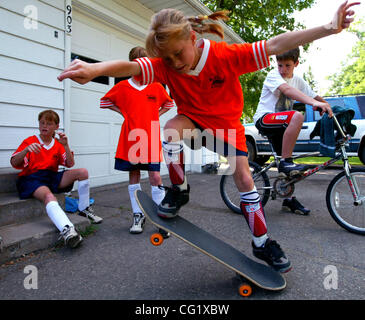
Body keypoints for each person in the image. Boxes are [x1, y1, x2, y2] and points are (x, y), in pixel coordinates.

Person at [57, 1, 359, 272]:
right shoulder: (165, 63)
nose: (175, 63)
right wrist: (94, 69)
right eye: (168, 58)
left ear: (192, 37)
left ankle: (262, 241)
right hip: (193, 121)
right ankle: (179, 190)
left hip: (226, 128)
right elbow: (132, 66)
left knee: (243, 177)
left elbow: (274, 44)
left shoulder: (224, 56)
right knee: (170, 130)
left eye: (178, 54)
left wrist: (329, 27)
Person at [100, 46, 174, 234]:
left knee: (155, 176)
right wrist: (124, 112)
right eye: (137, 64)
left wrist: (157, 113)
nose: (141, 67)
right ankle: (137, 215)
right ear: (131, 65)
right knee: (133, 175)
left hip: (149, 136)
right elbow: (105, 101)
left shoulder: (156, 85)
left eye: (145, 63)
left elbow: (169, 103)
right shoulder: (123, 86)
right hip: (130, 136)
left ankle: (161, 217)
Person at [253, 47, 332, 215]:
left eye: (287, 66)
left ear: (296, 63)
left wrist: (328, 107)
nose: (282, 70)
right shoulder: (273, 75)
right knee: (297, 116)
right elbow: (288, 91)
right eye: (280, 65)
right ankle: (286, 162)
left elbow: (314, 95)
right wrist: (312, 104)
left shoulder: (298, 80)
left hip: (282, 125)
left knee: (287, 165)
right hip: (265, 119)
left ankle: (288, 199)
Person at [10, 110, 103, 248]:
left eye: (48, 123)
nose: (44, 126)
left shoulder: (58, 143)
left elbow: (70, 164)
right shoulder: (31, 141)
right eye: (42, 123)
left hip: (51, 176)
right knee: (48, 196)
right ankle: (67, 230)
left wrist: (65, 145)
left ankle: (84, 210)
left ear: (56, 126)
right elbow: (14, 162)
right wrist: (26, 151)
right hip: (32, 178)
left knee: (83, 172)